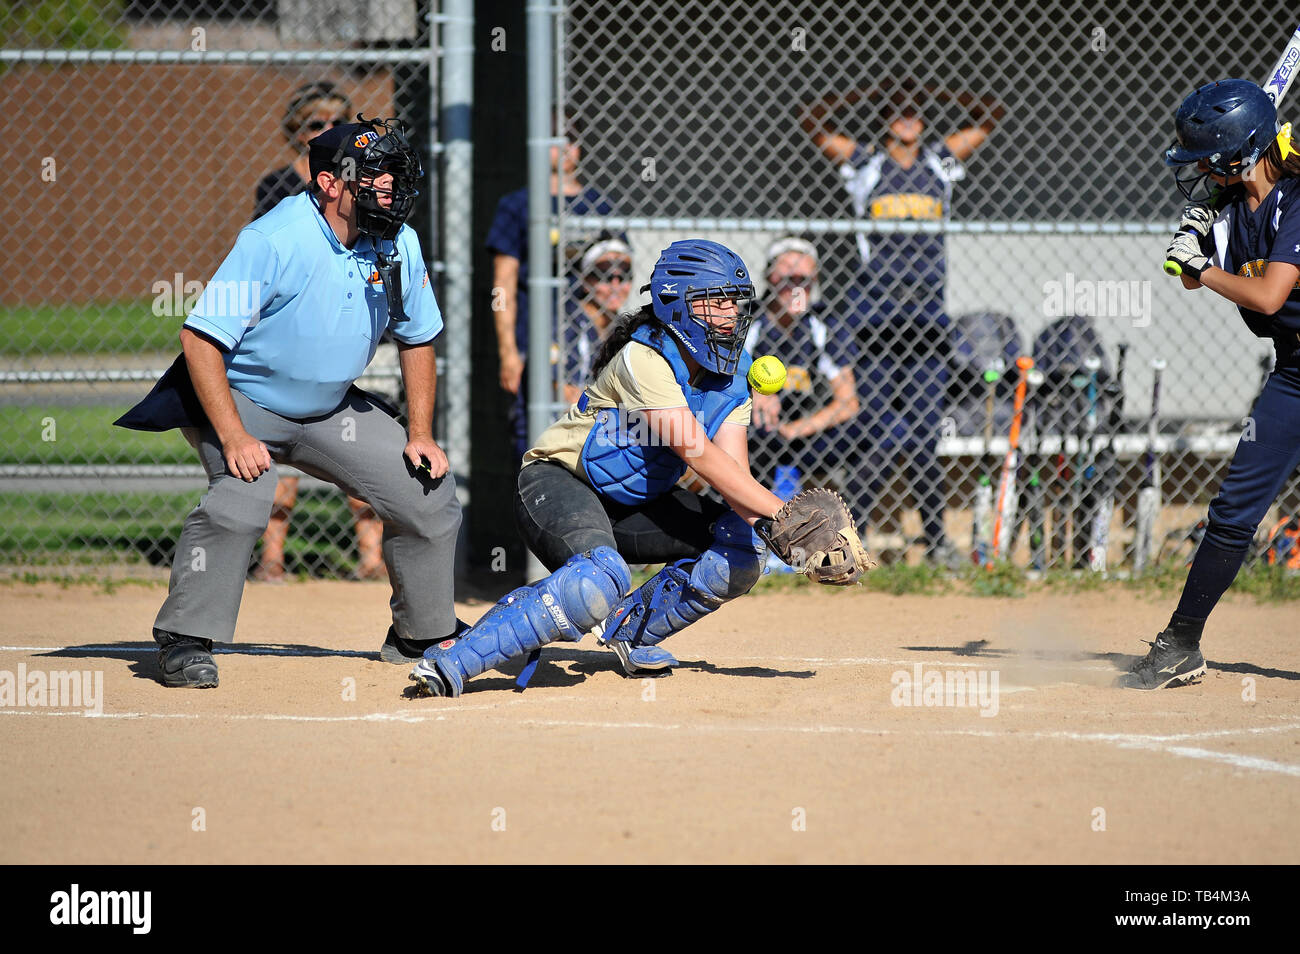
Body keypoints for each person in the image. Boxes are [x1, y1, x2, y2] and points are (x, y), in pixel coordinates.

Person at [408, 240, 867, 698]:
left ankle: (632, 631)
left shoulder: (734, 376)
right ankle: (454, 658)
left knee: (743, 546)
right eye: (716, 300)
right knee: (599, 579)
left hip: (635, 504)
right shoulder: (643, 358)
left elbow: (734, 478)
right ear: (678, 305)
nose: (731, 312)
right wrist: (787, 515)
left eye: (736, 301)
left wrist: (791, 544)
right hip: (558, 484)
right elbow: (698, 455)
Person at [115, 118, 461, 687]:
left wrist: (420, 432)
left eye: (394, 176)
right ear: (329, 183)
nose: (389, 189)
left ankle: (420, 633)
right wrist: (232, 435)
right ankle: (184, 638)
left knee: (425, 488)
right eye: (375, 177)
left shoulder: (397, 240)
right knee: (243, 498)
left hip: (328, 408)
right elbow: (200, 340)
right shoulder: (274, 239)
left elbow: (418, 336)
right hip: (242, 398)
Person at [1125, 78, 1300, 689]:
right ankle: (1179, 645)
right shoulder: (1231, 210)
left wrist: (1200, 264)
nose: (1198, 170)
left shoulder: (1298, 196)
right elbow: (1195, 280)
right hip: (1295, 373)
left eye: (1208, 159)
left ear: (1243, 153)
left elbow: (1269, 293)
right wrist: (1196, 247)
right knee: (1233, 511)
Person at [801, 78, 1003, 567]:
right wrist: (867, 94)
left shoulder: (939, 160)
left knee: (921, 431)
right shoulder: (866, 164)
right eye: (898, 108)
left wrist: (938, 92)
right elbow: (812, 119)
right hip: (875, 311)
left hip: (926, 312)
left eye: (915, 108)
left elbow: (990, 113)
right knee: (874, 429)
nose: (907, 116)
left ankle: (935, 541)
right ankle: (849, 542)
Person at [250, 81, 387, 581]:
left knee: (361, 445)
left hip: (359, 331)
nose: (325, 130)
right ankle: (272, 558)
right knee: (279, 450)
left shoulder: (372, 184)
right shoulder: (277, 187)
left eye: (335, 121)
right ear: (295, 133)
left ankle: (371, 557)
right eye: (313, 123)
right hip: (298, 338)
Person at [486, 108, 621, 462]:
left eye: (571, 139)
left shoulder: (599, 206)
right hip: (535, 338)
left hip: (590, 343)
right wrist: (508, 352)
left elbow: (620, 273)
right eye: (553, 140)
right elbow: (502, 284)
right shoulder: (517, 205)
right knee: (532, 436)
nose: (564, 149)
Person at [745, 237, 859, 491]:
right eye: (788, 280)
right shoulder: (747, 321)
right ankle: (755, 523)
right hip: (754, 428)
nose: (797, 290)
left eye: (804, 282)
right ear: (770, 279)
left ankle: (850, 525)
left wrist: (795, 429)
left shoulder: (822, 326)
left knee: (875, 434)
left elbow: (848, 402)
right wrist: (751, 393)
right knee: (757, 437)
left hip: (803, 433)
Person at [558, 238, 632, 406]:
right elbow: (563, 392)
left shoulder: (625, 327)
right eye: (605, 275)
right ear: (585, 281)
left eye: (624, 275)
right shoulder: (567, 322)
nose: (615, 285)